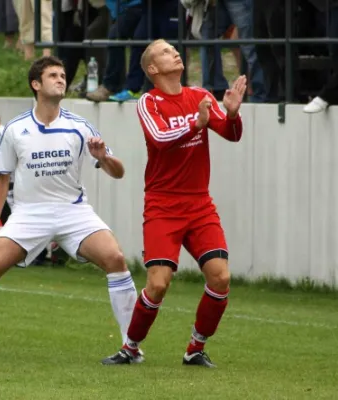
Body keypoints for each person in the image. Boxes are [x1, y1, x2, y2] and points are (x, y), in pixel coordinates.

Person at [0, 56, 138, 357]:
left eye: (63, 75)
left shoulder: (80, 126)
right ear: (36, 84)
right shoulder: (15, 129)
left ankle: (130, 347)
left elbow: (118, 172)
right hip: (28, 214)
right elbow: (1, 177)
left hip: (73, 211)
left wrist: (104, 157)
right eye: (53, 75)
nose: (61, 79)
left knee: (116, 258)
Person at [102, 39, 246, 367]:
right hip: (162, 206)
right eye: (166, 52)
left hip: (199, 205)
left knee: (220, 278)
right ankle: (131, 347)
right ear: (152, 69)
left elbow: (232, 134)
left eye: (174, 50)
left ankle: (195, 348)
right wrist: (195, 125)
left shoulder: (201, 96)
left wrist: (234, 114)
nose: (175, 53)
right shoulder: (149, 102)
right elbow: (159, 138)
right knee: (157, 284)